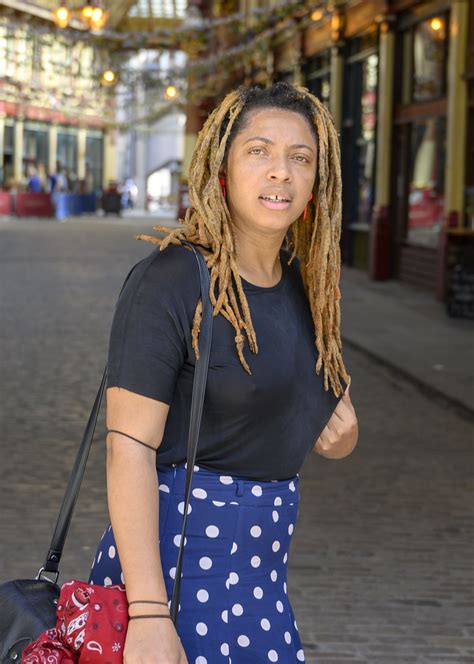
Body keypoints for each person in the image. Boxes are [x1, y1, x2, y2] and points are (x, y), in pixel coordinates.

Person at [89, 82, 359, 663]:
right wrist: (148, 615)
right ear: (223, 170)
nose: (280, 172)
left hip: (263, 581)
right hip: (171, 575)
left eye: (300, 157)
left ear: (317, 182)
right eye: (258, 151)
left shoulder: (306, 288)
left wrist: (344, 432)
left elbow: (327, 431)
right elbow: (127, 449)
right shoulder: (173, 280)